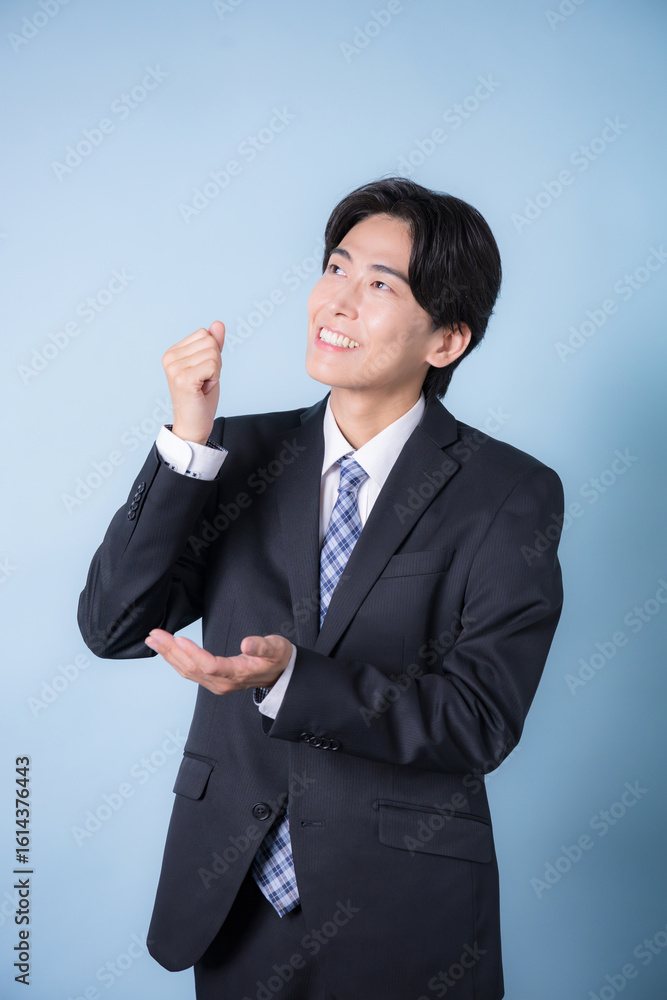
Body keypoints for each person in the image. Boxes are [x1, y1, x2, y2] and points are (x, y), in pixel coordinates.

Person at [77, 176, 564, 1000]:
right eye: (336, 267)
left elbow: (478, 720)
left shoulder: (507, 493)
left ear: (446, 341)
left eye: (379, 285)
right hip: (232, 900)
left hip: (403, 914)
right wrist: (187, 442)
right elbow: (112, 625)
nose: (336, 301)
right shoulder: (234, 457)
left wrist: (291, 679)